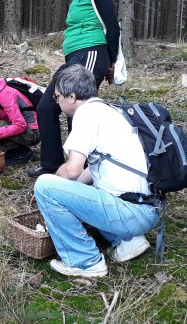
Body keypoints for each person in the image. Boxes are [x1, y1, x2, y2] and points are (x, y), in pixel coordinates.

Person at [33, 65, 160, 277]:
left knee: (44, 186)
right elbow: (93, 171)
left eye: (57, 97)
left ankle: (85, 261)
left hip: (130, 214)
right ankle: (127, 241)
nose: (57, 103)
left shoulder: (86, 115)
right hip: (148, 208)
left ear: (71, 97)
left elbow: (72, 169)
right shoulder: (109, 110)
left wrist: (52, 185)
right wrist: (65, 191)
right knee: (85, 188)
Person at [27, 0, 120, 178]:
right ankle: (51, 165)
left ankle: (82, 172)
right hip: (75, 57)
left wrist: (111, 62)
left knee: (77, 110)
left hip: (92, 52)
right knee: (46, 107)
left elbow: (112, 28)